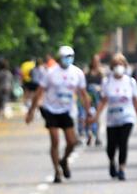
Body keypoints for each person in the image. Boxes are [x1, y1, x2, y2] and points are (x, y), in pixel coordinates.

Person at [25, 45, 89, 183]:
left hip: (67, 111)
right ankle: (56, 172)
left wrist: (89, 113)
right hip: (51, 110)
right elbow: (39, 92)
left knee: (72, 142)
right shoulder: (51, 72)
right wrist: (31, 111)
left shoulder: (77, 73)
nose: (67, 59)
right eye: (65, 57)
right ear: (59, 58)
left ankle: (64, 160)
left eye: (70, 57)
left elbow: (83, 94)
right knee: (55, 140)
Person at [95, 53, 137, 181]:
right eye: (116, 65)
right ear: (112, 67)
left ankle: (122, 168)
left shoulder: (130, 82)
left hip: (127, 117)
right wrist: (96, 116)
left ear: (125, 66)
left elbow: (135, 100)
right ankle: (112, 161)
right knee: (111, 146)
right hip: (112, 119)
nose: (118, 67)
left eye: (121, 65)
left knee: (123, 143)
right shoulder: (107, 82)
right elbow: (103, 101)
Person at [82, 55, 105, 146]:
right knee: (88, 116)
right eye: (94, 61)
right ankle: (89, 135)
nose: (96, 62)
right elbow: (83, 86)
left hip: (98, 98)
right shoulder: (87, 74)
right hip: (88, 98)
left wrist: (99, 88)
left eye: (97, 61)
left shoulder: (101, 74)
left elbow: (104, 86)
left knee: (97, 117)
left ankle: (97, 137)